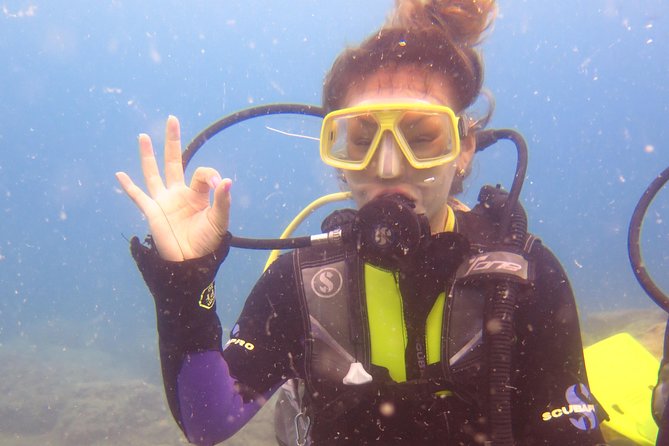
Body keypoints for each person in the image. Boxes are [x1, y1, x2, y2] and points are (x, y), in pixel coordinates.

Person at [116, 0, 608, 444]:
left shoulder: (523, 278)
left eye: (422, 136)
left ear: (464, 149)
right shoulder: (303, 281)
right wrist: (184, 285)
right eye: (362, 139)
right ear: (338, 156)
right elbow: (208, 423)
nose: (388, 166)